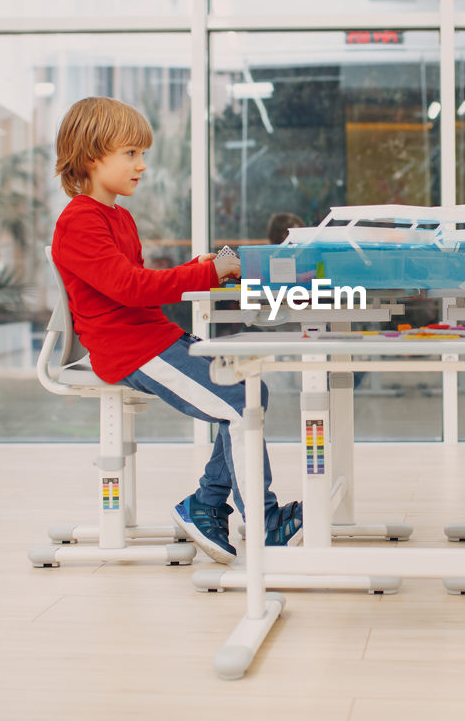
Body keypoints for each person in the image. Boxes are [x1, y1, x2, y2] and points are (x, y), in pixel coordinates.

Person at [50, 96, 301, 564]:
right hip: (131, 350)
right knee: (237, 402)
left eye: (141, 154)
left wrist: (196, 267)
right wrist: (208, 274)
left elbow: (134, 286)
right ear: (90, 155)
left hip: (152, 338)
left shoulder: (119, 217)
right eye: (130, 154)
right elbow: (130, 288)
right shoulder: (79, 221)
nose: (142, 165)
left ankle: (205, 505)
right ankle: (263, 526)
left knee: (249, 391)